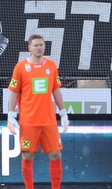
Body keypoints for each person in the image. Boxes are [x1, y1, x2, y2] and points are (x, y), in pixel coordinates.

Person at [7, 34, 68, 189]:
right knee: (27, 155)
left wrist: (63, 112)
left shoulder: (52, 66)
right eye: (35, 45)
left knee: (56, 154)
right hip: (28, 121)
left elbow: (56, 90)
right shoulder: (20, 67)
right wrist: (11, 115)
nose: (39, 48)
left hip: (48, 121)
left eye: (41, 45)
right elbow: (14, 92)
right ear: (29, 48)